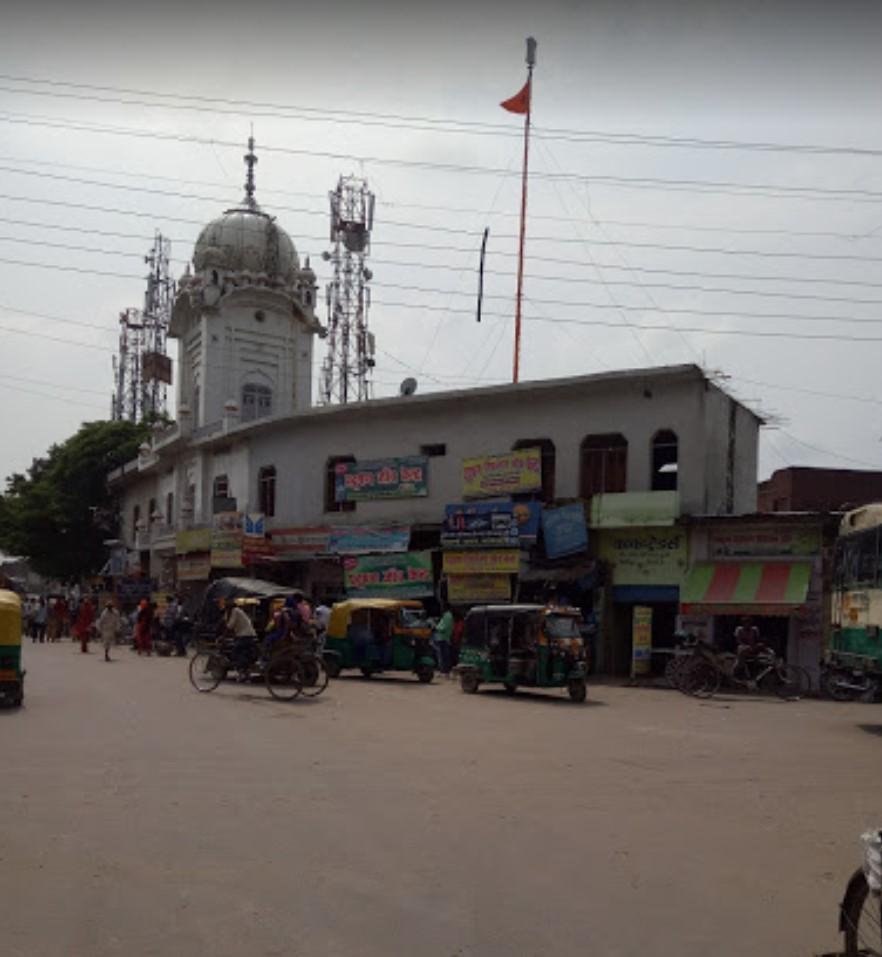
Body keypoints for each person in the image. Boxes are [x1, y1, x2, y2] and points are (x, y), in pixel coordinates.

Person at [220, 599, 258, 679]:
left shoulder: (235, 611)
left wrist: (223, 636)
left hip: (245, 635)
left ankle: (241, 671)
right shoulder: (237, 611)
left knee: (235, 651)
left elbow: (230, 625)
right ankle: (245, 670)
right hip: (248, 635)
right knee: (242, 651)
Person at [433, 607, 454, 677]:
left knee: (442, 656)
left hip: (442, 638)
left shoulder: (447, 616)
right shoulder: (447, 616)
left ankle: (443, 671)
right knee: (444, 656)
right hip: (445, 638)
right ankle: (445, 671)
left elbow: (443, 628)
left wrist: (436, 627)